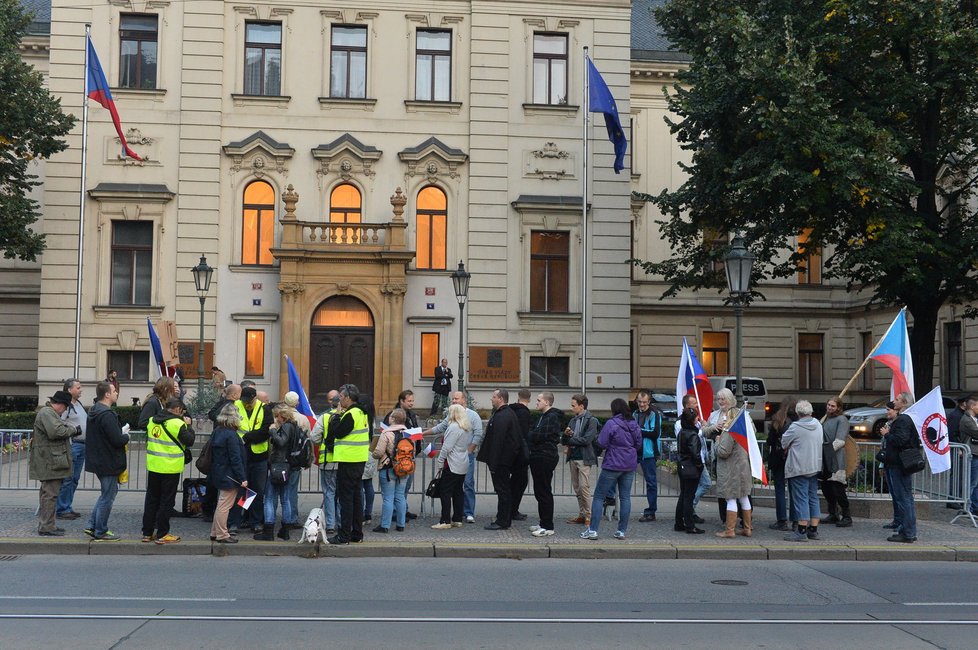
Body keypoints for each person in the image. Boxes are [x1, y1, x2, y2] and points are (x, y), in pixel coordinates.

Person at [580, 398, 642, 540]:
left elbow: (602, 442)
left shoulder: (611, 423)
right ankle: (621, 531)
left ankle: (593, 530)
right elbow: (638, 444)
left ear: (614, 410)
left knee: (599, 496)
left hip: (613, 463)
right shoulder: (634, 424)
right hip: (629, 464)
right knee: (625, 497)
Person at [421, 390, 484, 522]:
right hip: (454, 458)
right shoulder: (452, 415)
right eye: (453, 399)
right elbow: (440, 427)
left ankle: (467, 512)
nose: (454, 401)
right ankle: (458, 516)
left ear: (464, 400)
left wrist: (470, 450)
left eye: (456, 399)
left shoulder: (472, 416)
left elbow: (478, 433)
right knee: (457, 489)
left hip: (464, 456)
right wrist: (422, 434)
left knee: (466, 484)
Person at [141, 398, 195, 545]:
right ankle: (162, 534)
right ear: (177, 409)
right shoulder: (177, 423)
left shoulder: (152, 420)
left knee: (151, 499)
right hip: (170, 467)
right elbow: (190, 440)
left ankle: (147, 533)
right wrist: (189, 426)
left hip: (154, 466)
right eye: (182, 411)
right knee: (166, 501)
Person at [29, 390, 80, 536]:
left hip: (50, 460)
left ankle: (48, 525)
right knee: (50, 494)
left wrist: (67, 429)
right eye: (66, 407)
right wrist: (73, 430)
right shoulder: (47, 413)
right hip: (49, 460)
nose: (65, 411)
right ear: (60, 404)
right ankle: (46, 527)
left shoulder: (48, 413)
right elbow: (56, 432)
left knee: (48, 494)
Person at [83, 381, 130, 541]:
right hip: (108, 461)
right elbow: (116, 440)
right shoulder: (107, 414)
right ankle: (101, 531)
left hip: (98, 459)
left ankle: (92, 525)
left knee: (106, 494)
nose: (117, 392)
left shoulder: (94, 411)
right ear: (107, 394)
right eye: (114, 390)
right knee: (108, 497)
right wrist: (125, 436)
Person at [325, 383, 370, 545]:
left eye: (342, 397)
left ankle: (344, 535)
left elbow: (338, 432)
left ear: (348, 398)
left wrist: (336, 416)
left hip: (348, 460)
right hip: (358, 459)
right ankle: (356, 533)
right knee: (357, 498)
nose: (339, 400)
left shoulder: (351, 414)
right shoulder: (362, 412)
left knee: (346, 500)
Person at [711, 389, 753, 539]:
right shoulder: (744, 419)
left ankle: (729, 530)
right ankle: (747, 528)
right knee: (744, 497)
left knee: (730, 498)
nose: (721, 402)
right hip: (743, 465)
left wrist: (717, 442)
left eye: (724, 399)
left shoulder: (730, 426)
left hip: (730, 468)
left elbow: (723, 451)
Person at [254, 404, 300, 541]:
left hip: (278, 466)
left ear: (283, 416)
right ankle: (285, 530)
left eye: (277, 416)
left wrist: (273, 431)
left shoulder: (286, 427)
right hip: (287, 466)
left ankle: (268, 531)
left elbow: (281, 442)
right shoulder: (294, 426)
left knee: (269, 498)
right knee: (285, 499)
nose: (275, 419)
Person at [478, 389, 523, 530]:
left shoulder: (503, 416)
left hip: (501, 461)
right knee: (504, 491)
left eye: (493, 397)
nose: (491, 399)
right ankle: (503, 518)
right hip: (503, 460)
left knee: (503, 491)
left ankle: (503, 521)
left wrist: (494, 462)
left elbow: (498, 441)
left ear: (500, 399)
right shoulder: (505, 413)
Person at [782, 400, 823, 542]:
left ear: (798, 413)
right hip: (814, 466)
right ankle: (814, 530)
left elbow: (784, 442)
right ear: (811, 412)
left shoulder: (795, 427)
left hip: (799, 467)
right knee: (813, 497)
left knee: (801, 499)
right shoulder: (818, 424)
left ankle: (801, 530)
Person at [233, 386, 272, 532]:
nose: (246, 404)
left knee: (258, 491)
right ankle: (243, 518)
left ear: (255, 398)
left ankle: (255, 521)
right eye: (244, 401)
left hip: (259, 456)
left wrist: (247, 437)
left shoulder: (264, 409)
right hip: (242, 455)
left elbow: (266, 430)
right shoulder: (235, 406)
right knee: (244, 491)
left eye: (249, 401)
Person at [882, 391, 919, 543]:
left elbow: (901, 440)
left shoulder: (903, 419)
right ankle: (909, 530)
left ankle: (907, 532)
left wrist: (887, 434)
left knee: (904, 499)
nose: (894, 401)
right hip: (899, 464)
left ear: (903, 403)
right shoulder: (904, 418)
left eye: (897, 399)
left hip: (899, 464)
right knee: (906, 498)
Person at [209, 404, 247, 544]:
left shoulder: (218, 431)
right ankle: (222, 534)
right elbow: (235, 459)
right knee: (225, 505)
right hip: (230, 474)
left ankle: (215, 532)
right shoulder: (232, 435)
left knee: (221, 503)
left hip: (219, 471)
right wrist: (242, 478)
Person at [432, 404, 474, 529]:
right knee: (458, 491)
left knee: (445, 492)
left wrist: (440, 462)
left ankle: (445, 520)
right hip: (463, 462)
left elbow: (447, 448)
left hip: (452, 463)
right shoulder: (466, 427)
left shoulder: (453, 427)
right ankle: (457, 518)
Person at [527, 392, 561, 537]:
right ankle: (543, 522)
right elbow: (533, 432)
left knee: (544, 491)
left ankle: (548, 526)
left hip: (545, 456)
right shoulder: (542, 416)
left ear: (547, 402)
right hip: (538, 455)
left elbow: (538, 435)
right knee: (539, 491)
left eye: (539, 400)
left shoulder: (551, 417)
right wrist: (532, 435)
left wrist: (532, 435)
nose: (536, 402)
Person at [383, 390, 421, 520]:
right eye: (409, 401)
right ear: (401, 401)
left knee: (406, 485)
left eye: (412, 401)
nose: (411, 403)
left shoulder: (411, 414)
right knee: (398, 487)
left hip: (409, 455)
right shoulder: (393, 415)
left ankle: (403, 509)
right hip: (397, 456)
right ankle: (396, 512)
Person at [702, 388, 738, 524]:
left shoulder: (737, 413)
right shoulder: (714, 415)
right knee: (722, 488)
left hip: (735, 457)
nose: (721, 402)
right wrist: (713, 427)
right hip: (718, 456)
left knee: (738, 487)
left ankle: (742, 518)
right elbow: (704, 432)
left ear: (730, 399)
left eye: (723, 399)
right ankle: (725, 518)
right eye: (719, 399)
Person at [562, 393, 598, 526]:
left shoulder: (591, 420)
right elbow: (563, 440)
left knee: (584, 487)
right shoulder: (573, 420)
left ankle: (588, 515)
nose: (571, 408)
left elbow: (587, 440)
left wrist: (570, 439)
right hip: (573, 456)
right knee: (577, 488)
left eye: (573, 406)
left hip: (584, 457)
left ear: (581, 406)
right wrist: (566, 435)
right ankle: (582, 514)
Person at [371, 408, 410, 533]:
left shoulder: (386, 434)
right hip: (404, 468)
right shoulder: (408, 434)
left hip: (388, 469)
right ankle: (401, 524)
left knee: (388, 498)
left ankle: (385, 525)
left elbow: (379, 452)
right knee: (400, 497)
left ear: (392, 419)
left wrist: (373, 454)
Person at [675, 393, 709, 525]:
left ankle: (680, 521)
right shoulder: (684, 427)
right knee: (688, 495)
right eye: (694, 403)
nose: (697, 405)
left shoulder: (694, 425)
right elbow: (693, 448)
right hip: (691, 465)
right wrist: (699, 465)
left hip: (688, 463)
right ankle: (688, 518)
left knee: (685, 495)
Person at [56, 378, 87, 521]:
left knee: (74, 478)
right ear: (69, 390)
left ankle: (67, 506)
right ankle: (62, 508)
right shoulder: (66, 406)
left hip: (82, 445)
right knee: (68, 478)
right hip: (73, 444)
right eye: (78, 387)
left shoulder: (78, 404)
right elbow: (59, 424)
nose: (80, 390)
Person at [311, 389, 341, 534]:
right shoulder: (349, 416)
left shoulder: (324, 417)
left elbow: (315, 437)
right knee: (342, 493)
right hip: (346, 460)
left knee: (329, 493)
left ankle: (330, 524)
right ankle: (342, 521)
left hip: (328, 460)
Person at [766, 396, 798, 531]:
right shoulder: (798, 420)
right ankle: (796, 520)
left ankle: (781, 520)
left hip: (778, 458)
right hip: (793, 458)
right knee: (794, 490)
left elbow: (770, 441)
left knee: (779, 489)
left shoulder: (777, 420)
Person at [821, 396, 852, 527]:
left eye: (833, 406)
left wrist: (825, 451)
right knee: (826, 489)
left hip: (836, 460)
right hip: (825, 460)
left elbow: (840, 441)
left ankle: (847, 516)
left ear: (838, 407)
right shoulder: (826, 419)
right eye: (828, 405)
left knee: (838, 489)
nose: (830, 408)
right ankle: (833, 514)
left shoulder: (842, 420)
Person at [282, 391, 311, 529]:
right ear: (297, 403)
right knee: (292, 489)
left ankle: (272, 518)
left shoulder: (279, 416)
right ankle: (291, 518)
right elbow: (308, 441)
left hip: (279, 459)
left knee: (273, 491)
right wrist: (308, 460)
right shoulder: (303, 419)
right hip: (295, 458)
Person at [633, 389, 662, 522]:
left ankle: (651, 511)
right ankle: (611, 500)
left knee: (651, 483)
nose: (642, 404)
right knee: (619, 474)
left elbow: (655, 433)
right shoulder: (635, 413)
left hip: (649, 453)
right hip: (636, 451)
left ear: (649, 402)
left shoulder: (654, 413)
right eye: (639, 402)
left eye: (644, 402)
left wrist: (638, 431)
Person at [508, 388, 532, 522]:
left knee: (515, 482)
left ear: (518, 397)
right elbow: (524, 434)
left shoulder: (511, 410)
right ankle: (512, 510)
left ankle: (511, 509)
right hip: (520, 453)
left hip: (511, 452)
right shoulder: (524, 413)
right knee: (521, 482)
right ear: (529, 399)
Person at [958, 397, 978, 515]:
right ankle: (968, 507)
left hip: (975, 453)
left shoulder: (974, 419)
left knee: (975, 483)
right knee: (972, 482)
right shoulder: (966, 420)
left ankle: (974, 507)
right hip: (972, 453)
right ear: (972, 406)